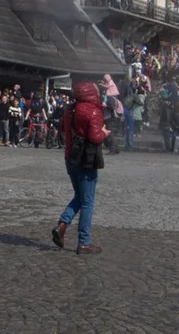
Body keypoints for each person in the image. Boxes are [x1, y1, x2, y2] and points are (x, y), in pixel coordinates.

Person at [52, 78, 107, 255]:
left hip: (70, 158)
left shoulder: (70, 109)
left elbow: (61, 127)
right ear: (91, 94)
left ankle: (62, 224)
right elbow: (95, 137)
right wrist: (104, 133)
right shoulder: (93, 111)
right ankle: (84, 242)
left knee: (79, 196)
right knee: (87, 201)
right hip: (86, 161)